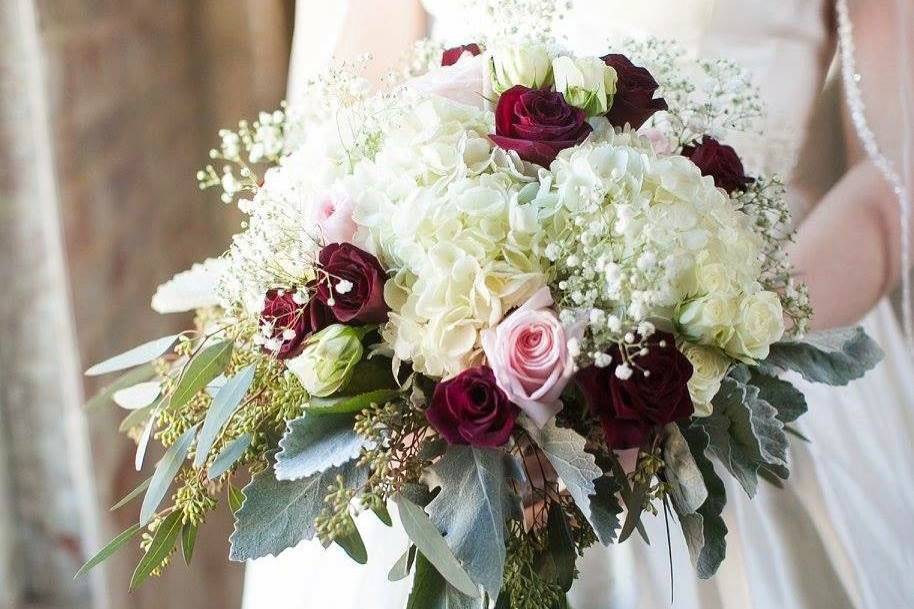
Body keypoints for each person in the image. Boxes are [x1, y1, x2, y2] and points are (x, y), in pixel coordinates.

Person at [242, 1, 914, 607]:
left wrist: (730, 324)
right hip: (440, 337)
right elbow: (357, 100)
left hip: (733, 337)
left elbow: (894, 179)